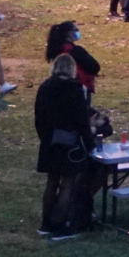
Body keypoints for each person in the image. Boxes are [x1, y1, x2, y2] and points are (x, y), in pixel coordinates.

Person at [34, 53, 98, 239]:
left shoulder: (45, 87)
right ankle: (61, 226)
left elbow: (39, 117)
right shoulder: (74, 88)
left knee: (52, 182)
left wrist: (45, 137)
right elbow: (82, 120)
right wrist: (90, 144)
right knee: (68, 183)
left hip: (49, 142)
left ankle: (46, 223)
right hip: (70, 143)